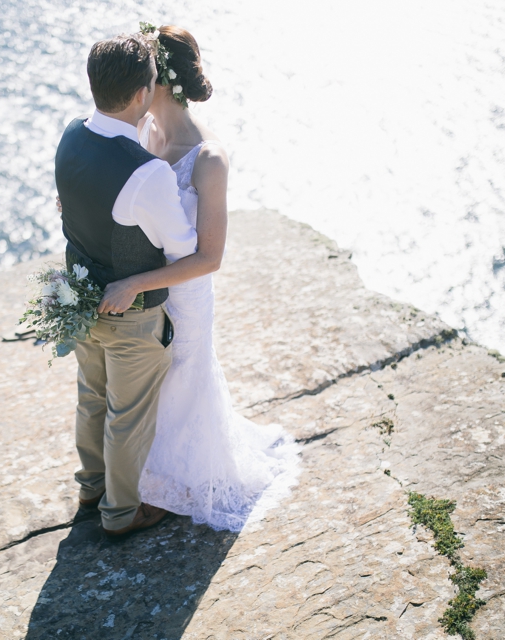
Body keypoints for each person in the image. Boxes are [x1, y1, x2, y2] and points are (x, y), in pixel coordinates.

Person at [98, 25, 300, 532]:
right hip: (146, 285)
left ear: (156, 80)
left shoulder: (208, 158)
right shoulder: (144, 132)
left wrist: (133, 284)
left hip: (184, 294)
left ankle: (172, 487)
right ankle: (143, 472)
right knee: (149, 384)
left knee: (182, 383)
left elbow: (210, 258)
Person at [54, 34, 196, 537]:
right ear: (141, 94)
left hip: (80, 300)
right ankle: (120, 513)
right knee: (126, 416)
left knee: (91, 397)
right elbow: (185, 249)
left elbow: (71, 205)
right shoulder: (148, 173)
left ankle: (91, 488)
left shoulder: (71, 134)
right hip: (131, 318)